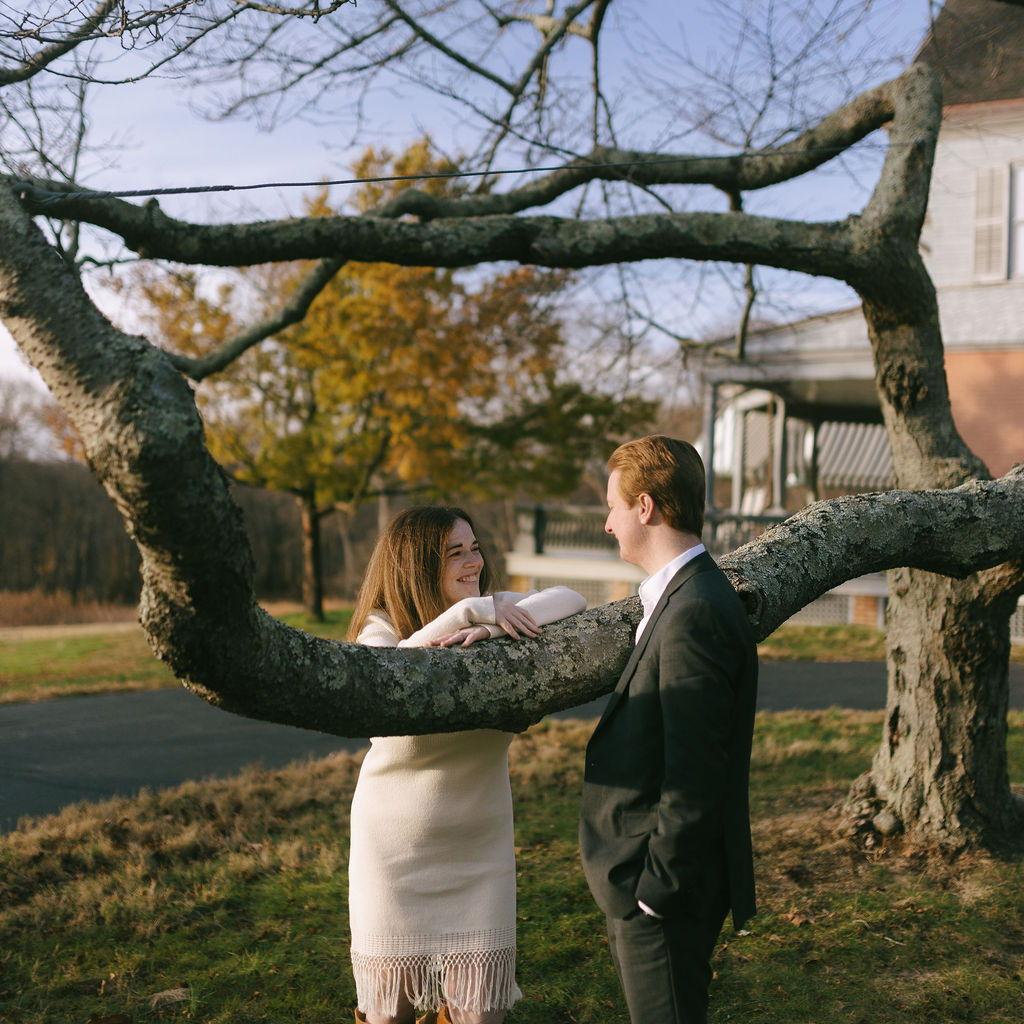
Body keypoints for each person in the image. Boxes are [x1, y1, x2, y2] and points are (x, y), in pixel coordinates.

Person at [346, 505, 586, 1024]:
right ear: (415, 565)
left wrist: (496, 623)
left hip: (479, 847)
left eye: (474, 547)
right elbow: (393, 678)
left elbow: (573, 598)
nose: (472, 561)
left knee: (480, 1015)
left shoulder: (494, 611)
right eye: (455, 553)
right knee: (391, 1015)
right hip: (394, 853)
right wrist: (468, 615)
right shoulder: (379, 628)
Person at [579, 435, 758, 1024]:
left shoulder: (694, 611)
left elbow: (697, 770)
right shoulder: (679, 596)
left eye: (613, 506)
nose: (608, 523)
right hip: (649, 886)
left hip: (663, 896)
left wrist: (656, 893)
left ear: (647, 508)